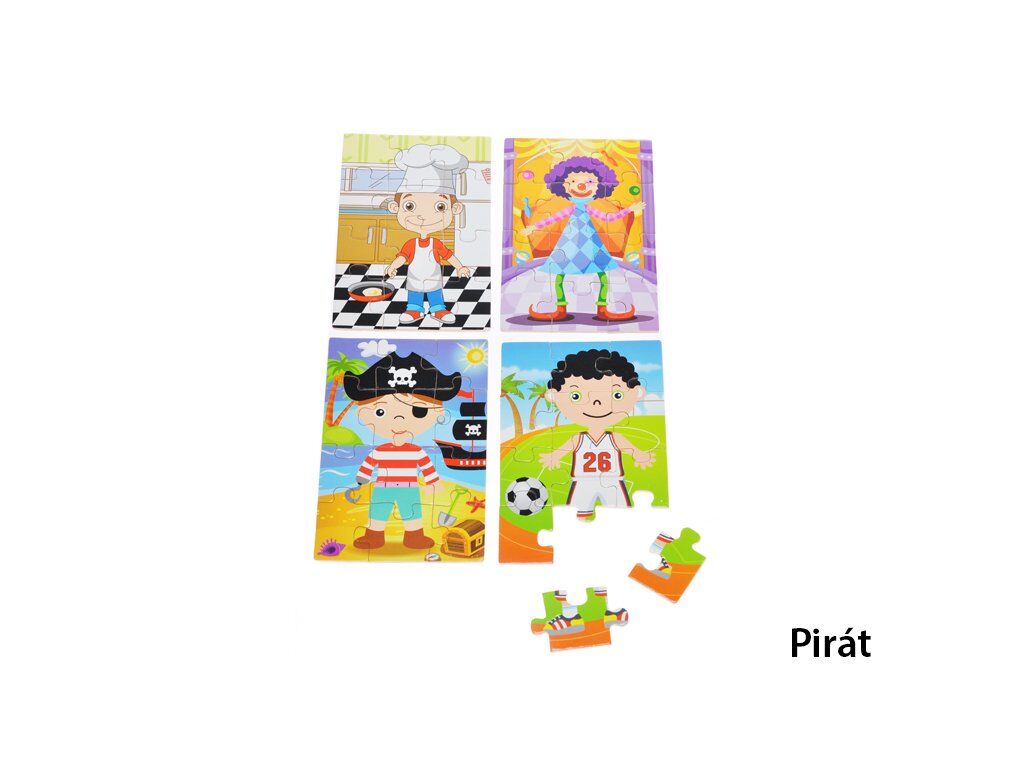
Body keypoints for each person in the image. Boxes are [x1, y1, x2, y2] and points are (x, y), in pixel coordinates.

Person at [343, 351, 461, 549]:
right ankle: (373, 536)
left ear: (438, 413)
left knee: (412, 513)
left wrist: (433, 482)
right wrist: (361, 481)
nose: (399, 419)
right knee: (378, 513)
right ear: (362, 413)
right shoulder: (379, 450)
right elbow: (368, 465)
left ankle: (414, 536)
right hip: (382, 488)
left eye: (419, 410)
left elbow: (426, 466)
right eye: (381, 411)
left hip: (409, 488)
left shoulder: (416, 451)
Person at [520, 156, 645, 321]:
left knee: (602, 275)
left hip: (591, 244)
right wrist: (533, 227)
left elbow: (609, 217)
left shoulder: (589, 208)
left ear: (600, 186)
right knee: (560, 274)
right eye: (573, 181)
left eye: (590, 182)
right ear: (564, 185)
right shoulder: (570, 208)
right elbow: (552, 219)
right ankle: (560, 309)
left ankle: (602, 309)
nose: (581, 185)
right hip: (568, 244)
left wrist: (629, 209)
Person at [540, 349, 655, 521]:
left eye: (616, 395)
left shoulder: (614, 438)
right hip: (582, 482)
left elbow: (631, 449)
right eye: (576, 396)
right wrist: (554, 456)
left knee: (621, 518)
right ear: (554, 396)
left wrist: (639, 454)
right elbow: (562, 450)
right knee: (575, 519)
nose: (596, 403)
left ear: (636, 393)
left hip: (613, 481)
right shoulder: (578, 438)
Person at [384, 144, 472, 325]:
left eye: (440, 207)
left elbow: (449, 256)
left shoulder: (436, 243)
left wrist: (460, 267)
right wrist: (392, 266)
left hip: (433, 277)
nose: (423, 216)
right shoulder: (411, 243)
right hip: (415, 277)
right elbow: (402, 257)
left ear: (455, 208)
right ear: (395, 207)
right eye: (410, 206)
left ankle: (438, 309)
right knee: (414, 294)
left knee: (435, 293)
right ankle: (414, 310)